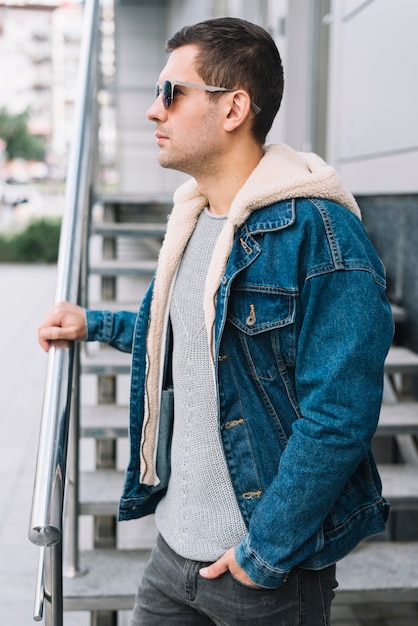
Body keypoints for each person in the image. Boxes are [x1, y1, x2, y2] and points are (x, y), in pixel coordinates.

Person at [39, 17, 394, 626]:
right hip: (172, 556)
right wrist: (94, 324)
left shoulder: (320, 232)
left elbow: (339, 415)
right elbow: (183, 337)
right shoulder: (193, 219)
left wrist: (264, 555)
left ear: (234, 108)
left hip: (263, 573)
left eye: (171, 94)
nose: (154, 111)